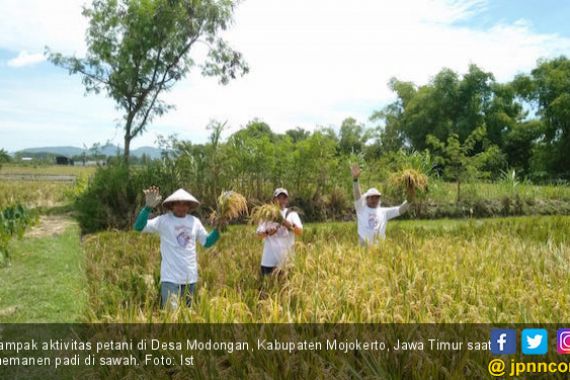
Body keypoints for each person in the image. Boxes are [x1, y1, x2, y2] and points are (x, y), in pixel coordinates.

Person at [133, 186, 222, 309]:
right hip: (170, 278)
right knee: (171, 318)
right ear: (172, 206)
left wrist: (218, 229)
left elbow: (206, 242)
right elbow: (138, 227)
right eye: (178, 204)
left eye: (185, 204)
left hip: (189, 277)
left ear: (189, 206)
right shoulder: (163, 221)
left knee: (187, 317)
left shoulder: (194, 221)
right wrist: (147, 208)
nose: (181, 207)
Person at [351, 164, 410, 246]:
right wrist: (355, 179)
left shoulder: (384, 212)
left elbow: (400, 210)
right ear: (367, 199)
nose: (374, 200)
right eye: (371, 197)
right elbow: (357, 194)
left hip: (379, 251)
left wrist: (410, 199)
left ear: (379, 199)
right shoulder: (361, 209)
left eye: (376, 197)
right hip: (363, 251)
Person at [256, 188, 303, 276]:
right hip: (269, 261)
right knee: (267, 287)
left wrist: (288, 225)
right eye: (279, 198)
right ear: (274, 199)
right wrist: (267, 233)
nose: (281, 200)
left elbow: (300, 232)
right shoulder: (267, 214)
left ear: (287, 200)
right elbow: (258, 234)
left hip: (286, 261)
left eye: (284, 198)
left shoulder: (291, 214)